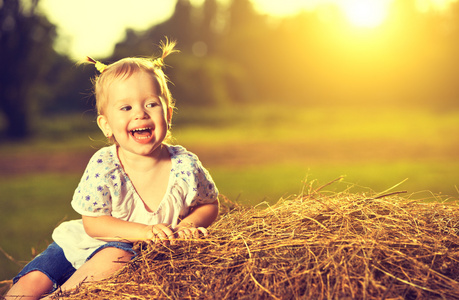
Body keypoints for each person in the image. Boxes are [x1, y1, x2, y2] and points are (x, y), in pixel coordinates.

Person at [5, 39, 219, 299]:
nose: (140, 114)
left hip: (118, 253)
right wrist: (143, 231)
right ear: (106, 125)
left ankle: (62, 296)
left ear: (169, 114)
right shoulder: (105, 166)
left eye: (151, 104)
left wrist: (188, 225)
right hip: (79, 243)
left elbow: (209, 203)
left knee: (118, 254)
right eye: (126, 107)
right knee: (29, 285)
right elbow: (93, 224)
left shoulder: (185, 166)